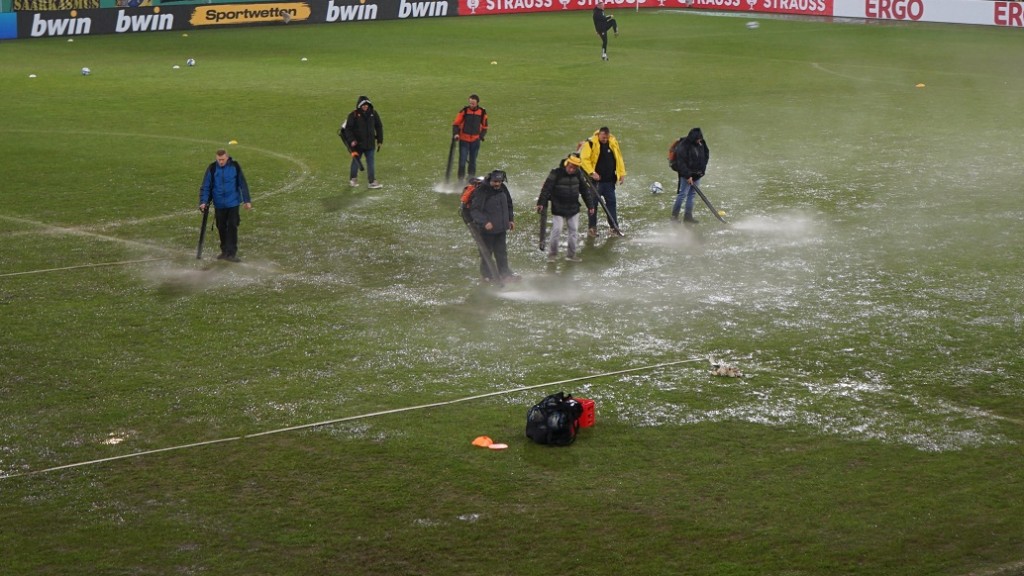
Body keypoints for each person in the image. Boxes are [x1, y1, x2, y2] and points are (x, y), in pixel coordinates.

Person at [536, 154, 595, 263]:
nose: (572, 170)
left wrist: (590, 205)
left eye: (575, 168)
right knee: (557, 230)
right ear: (567, 163)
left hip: (573, 208)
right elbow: (546, 189)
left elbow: (585, 191)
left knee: (573, 231)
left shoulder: (579, 174)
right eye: (571, 167)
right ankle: (552, 255)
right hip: (558, 208)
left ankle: (571, 255)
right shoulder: (556, 173)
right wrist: (541, 203)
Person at [198, 149, 252, 262]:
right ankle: (224, 251)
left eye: (222, 159)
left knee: (232, 226)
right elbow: (206, 185)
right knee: (221, 227)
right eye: (219, 160)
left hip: (233, 203)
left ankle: (231, 252)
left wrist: (247, 200)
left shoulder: (235, 166)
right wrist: (203, 201)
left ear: (227, 157)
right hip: (219, 204)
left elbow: (242, 183)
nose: (221, 162)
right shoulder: (212, 168)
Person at [468, 170, 516, 283]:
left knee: (502, 252)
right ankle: (487, 276)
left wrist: (511, 220)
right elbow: (474, 210)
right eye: (495, 181)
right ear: (490, 180)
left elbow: (509, 204)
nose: (498, 184)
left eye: (500, 181)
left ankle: (505, 274)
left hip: (501, 228)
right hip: (486, 231)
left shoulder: (503, 188)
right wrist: (485, 222)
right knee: (486, 253)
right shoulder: (482, 191)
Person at [578, 126, 626, 237]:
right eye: (603, 137)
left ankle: (614, 227)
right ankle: (592, 228)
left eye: (606, 138)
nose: (605, 140)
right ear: (599, 134)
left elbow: (619, 158)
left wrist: (621, 173)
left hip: (609, 181)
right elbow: (584, 160)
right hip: (595, 183)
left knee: (612, 204)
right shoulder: (590, 144)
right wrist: (591, 173)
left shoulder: (612, 142)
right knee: (593, 205)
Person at [342, 95, 384, 189]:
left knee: (371, 163)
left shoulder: (373, 113)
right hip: (358, 145)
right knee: (356, 162)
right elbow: (348, 129)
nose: (365, 106)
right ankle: (353, 179)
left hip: (370, 144)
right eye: (363, 105)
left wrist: (380, 140)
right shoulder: (353, 115)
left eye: (367, 105)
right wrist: (352, 140)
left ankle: (372, 181)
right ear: (359, 105)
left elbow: (379, 126)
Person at [671, 127, 710, 224]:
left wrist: (702, 171)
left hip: (697, 175)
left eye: (700, 139)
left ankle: (688, 216)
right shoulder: (684, 146)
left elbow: (706, 155)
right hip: (686, 175)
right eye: (698, 139)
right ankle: (674, 217)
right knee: (682, 195)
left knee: (691, 195)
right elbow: (681, 163)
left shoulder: (701, 143)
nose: (699, 141)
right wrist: (688, 176)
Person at [452, 94, 489, 182]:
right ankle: (460, 180)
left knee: (472, 162)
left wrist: (481, 136)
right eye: (470, 103)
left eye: (473, 103)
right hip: (464, 140)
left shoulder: (482, 112)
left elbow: (485, 127)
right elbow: (456, 124)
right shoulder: (464, 111)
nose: (471, 105)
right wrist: (456, 134)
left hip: (475, 141)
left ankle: (470, 180)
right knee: (462, 161)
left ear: (477, 103)